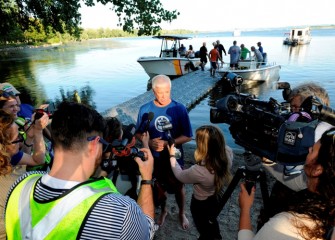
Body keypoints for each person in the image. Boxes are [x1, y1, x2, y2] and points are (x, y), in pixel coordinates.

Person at [5, 101, 156, 239]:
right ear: (94, 145)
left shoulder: (20, 185)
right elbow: (146, 231)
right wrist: (147, 179)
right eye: (103, 143)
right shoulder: (122, 212)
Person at [238, 127, 335, 240]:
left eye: (313, 150)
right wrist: (265, 157)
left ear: (317, 170)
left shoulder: (285, 226)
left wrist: (245, 209)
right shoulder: (326, 193)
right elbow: (296, 181)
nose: (309, 149)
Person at [135, 74, 193, 230]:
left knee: (179, 186)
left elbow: (188, 136)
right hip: (155, 158)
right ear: (153, 91)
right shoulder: (145, 110)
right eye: (160, 92)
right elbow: (138, 133)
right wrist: (149, 142)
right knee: (159, 186)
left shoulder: (179, 108)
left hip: (175, 157)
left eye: (167, 92)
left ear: (170, 89)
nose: (164, 96)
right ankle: (164, 210)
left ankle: (181, 212)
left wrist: (169, 143)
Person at [168, 125, 233, 240]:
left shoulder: (200, 171)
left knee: (203, 228)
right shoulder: (227, 153)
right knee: (212, 221)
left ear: (203, 146)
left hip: (200, 204)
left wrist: (172, 156)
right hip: (216, 196)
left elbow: (180, 175)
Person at [0, 109, 48, 239]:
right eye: (17, 139)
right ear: (3, 146)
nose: (21, 141)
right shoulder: (11, 183)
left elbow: (37, 159)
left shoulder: (9, 157)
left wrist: (35, 133)